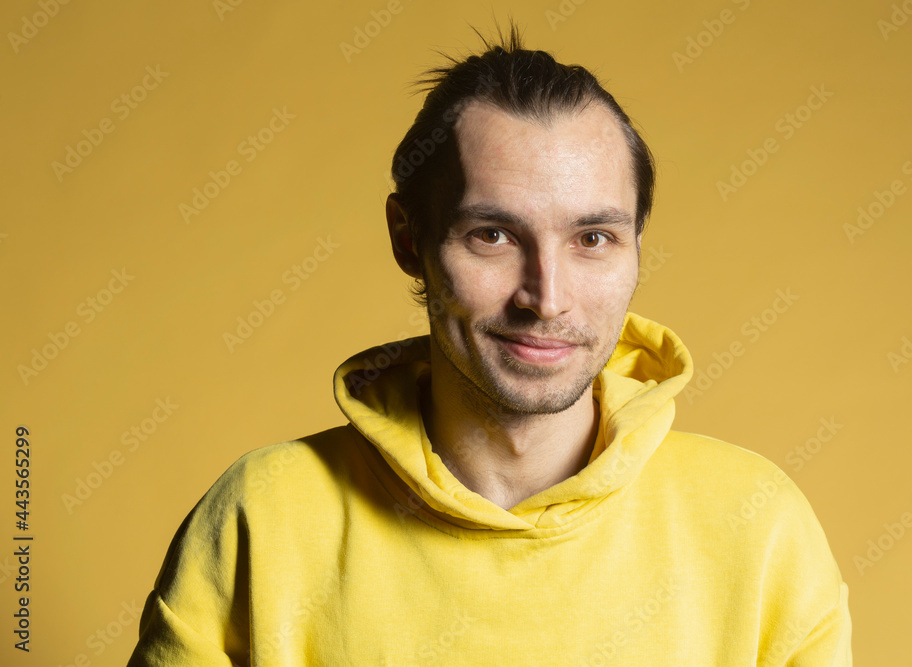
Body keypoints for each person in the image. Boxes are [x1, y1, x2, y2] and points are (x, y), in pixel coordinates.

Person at [128, 23, 852, 665]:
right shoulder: (263, 518)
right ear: (408, 240)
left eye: (592, 238)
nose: (546, 297)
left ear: (637, 246)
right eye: (494, 235)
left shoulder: (759, 527)